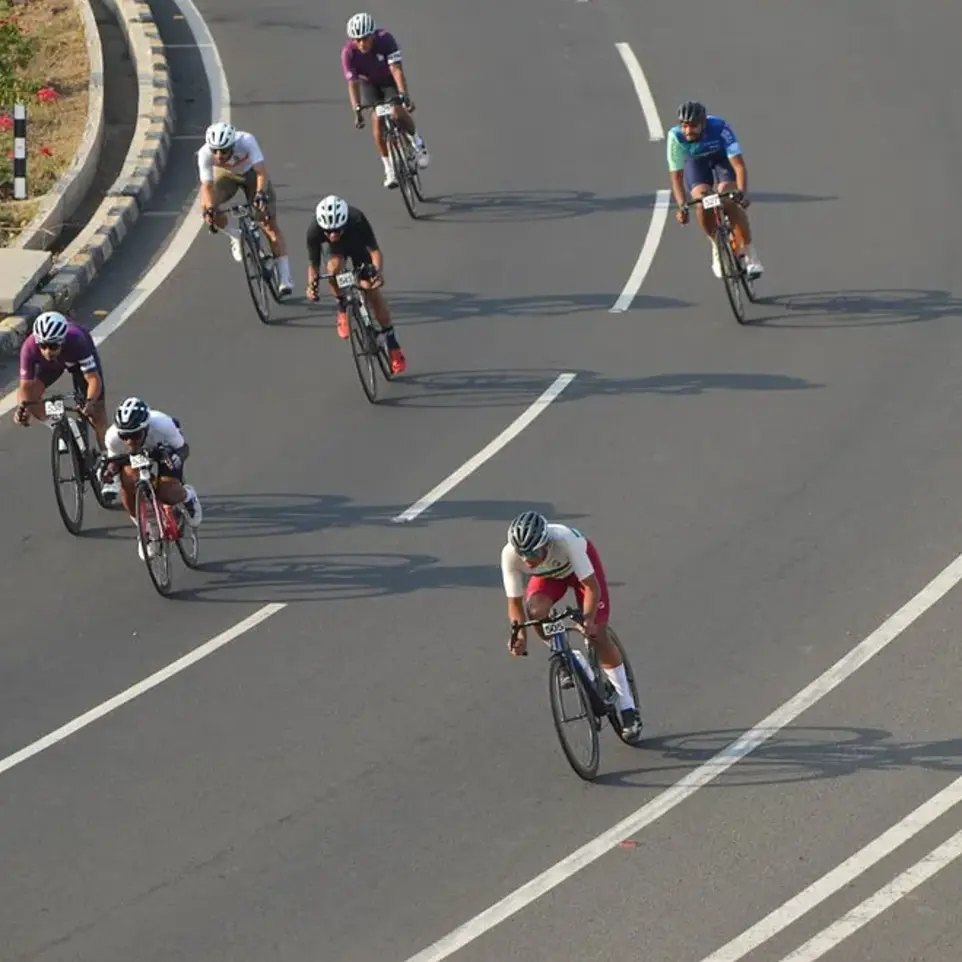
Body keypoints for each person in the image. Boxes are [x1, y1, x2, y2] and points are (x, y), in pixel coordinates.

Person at [501, 511, 643, 742]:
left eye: (532, 553)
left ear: (546, 545)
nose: (526, 559)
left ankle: (627, 706)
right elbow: (514, 603)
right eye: (522, 553)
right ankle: (570, 658)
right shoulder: (509, 555)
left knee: (597, 633)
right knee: (535, 612)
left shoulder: (566, 540)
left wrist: (588, 620)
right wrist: (519, 635)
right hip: (549, 576)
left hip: (581, 573)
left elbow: (591, 588)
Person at [14, 310, 119, 499]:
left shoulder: (77, 340)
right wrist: (22, 409)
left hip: (77, 363)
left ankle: (110, 466)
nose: (47, 351)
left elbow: (93, 379)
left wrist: (90, 402)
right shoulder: (29, 347)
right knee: (30, 398)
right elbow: (25, 388)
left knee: (97, 414)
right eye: (43, 345)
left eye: (53, 345)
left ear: (62, 341)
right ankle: (58, 426)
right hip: (52, 367)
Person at [305, 194, 407, 374]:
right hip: (336, 252)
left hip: (356, 245)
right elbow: (314, 265)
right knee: (333, 269)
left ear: (344, 223)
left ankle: (392, 344)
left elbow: (375, 252)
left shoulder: (357, 219)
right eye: (328, 231)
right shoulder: (314, 229)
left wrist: (377, 273)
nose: (333, 235)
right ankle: (342, 307)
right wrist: (311, 287)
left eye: (337, 230)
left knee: (370, 290)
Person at [667, 100, 764, 279]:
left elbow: (739, 166)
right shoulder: (675, 136)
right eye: (684, 126)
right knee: (701, 203)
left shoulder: (720, 127)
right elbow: (677, 178)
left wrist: (741, 193)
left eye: (693, 126)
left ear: (703, 124)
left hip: (721, 158)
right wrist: (682, 206)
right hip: (696, 162)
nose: (688, 131)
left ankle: (750, 253)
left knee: (728, 197)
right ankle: (717, 245)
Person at [198, 121, 294, 296]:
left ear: (232, 146)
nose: (219, 155)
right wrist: (210, 210)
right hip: (226, 176)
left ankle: (285, 278)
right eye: (215, 151)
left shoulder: (246, 140)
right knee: (207, 207)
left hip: (251, 174)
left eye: (224, 151)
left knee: (268, 224)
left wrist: (260, 194)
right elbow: (207, 186)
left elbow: (261, 173)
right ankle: (235, 236)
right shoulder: (204, 153)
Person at [101, 397, 202, 560]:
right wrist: (109, 472)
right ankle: (148, 530)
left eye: (135, 435)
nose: (129, 441)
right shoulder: (112, 437)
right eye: (125, 436)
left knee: (166, 493)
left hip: (163, 450)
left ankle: (188, 496)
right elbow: (115, 463)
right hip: (135, 458)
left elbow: (184, 448)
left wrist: (176, 459)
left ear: (146, 427)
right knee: (127, 483)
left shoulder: (163, 425)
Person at [342, 11, 429, 188]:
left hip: (388, 80)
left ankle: (417, 143)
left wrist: (404, 95)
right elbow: (353, 83)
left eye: (365, 38)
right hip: (369, 85)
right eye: (357, 40)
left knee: (397, 112)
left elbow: (396, 70)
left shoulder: (386, 40)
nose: (362, 43)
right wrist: (356, 110)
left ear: (373, 35)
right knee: (377, 121)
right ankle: (389, 169)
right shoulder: (348, 53)